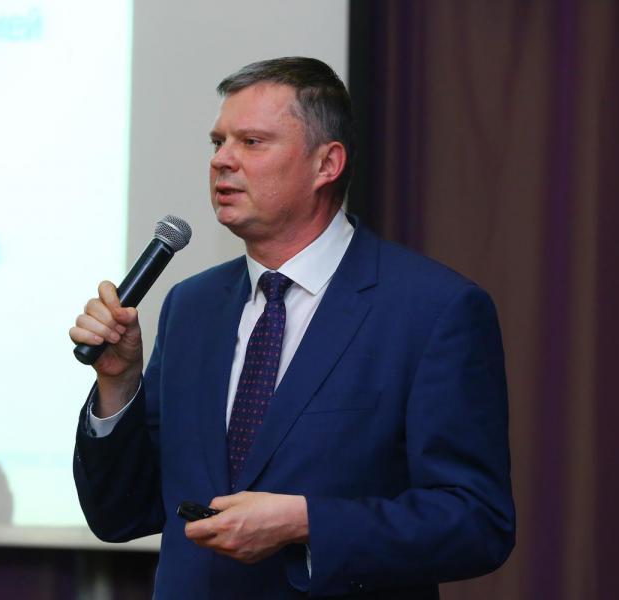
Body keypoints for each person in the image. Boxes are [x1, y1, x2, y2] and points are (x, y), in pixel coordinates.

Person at [71, 57, 514, 599]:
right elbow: (121, 514)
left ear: (327, 164)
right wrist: (118, 384)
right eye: (218, 142)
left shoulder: (433, 310)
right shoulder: (191, 306)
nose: (222, 160)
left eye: (252, 142)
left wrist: (307, 523)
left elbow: (476, 522)